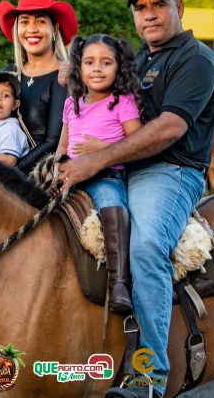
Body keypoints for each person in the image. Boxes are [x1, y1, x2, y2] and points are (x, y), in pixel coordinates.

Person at [58, 0, 214, 398]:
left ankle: (150, 373)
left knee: (146, 247)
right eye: (140, 7)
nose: (149, 15)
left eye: (158, 4)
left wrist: (95, 161)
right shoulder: (140, 58)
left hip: (170, 171)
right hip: (120, 168)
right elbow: (96, 77)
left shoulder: (195, 59)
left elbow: (169, 128)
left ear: (179, 7)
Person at [56, 34, 142, 313]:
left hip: (106, 176)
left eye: (106, 63)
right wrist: (55, 166)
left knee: (113, 205)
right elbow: (63, 143)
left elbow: (138, 142)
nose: (97, 69)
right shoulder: (73, 102)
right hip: (71, 176)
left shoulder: (122, 101)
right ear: (78, 68)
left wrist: (101, 148)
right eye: (90, 62)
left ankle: (119, 282)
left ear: (118, 68)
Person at [0, 0, 77, 173]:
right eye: (24, 22)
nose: (32, 29)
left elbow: (52, 141)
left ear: (55, 28)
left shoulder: (63, 77)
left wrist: (14, 172)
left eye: (40, 21)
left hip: (39, 174)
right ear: (17, 29)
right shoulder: (9, 74)